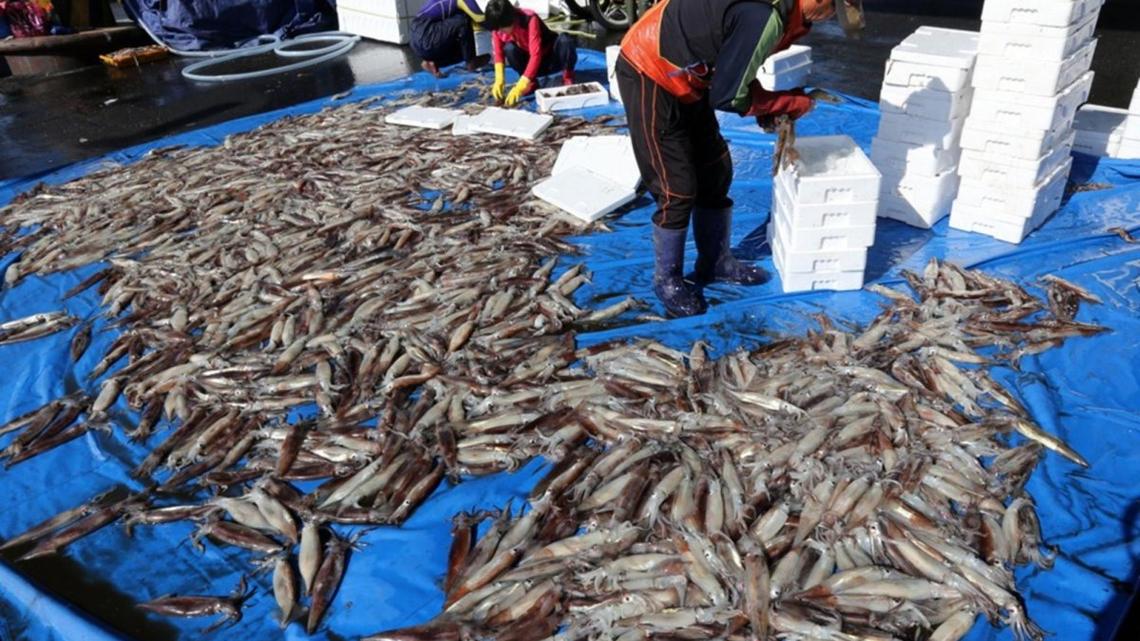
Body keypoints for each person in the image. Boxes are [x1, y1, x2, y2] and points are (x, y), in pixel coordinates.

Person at [616, 0, 864, 318]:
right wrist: (787, 102)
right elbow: (728, 95)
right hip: (649, 67)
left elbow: (735, 61)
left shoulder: (783, 13)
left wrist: (764, 104)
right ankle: (668, 280)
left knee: (716, 170)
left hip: (692, 74)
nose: (831, 16)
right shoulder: (765, 16)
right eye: (833, 7)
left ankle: (715, 263)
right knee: (676, 188)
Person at [481, 0, 578, 107]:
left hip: (551, 59)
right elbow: (498, 55)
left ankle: (567, 77)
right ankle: (532, 83)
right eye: (496, 28)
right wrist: (499, 79)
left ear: (510, 19)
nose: (500, 31)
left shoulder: (529, 18)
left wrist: (521, 84)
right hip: (530, 67)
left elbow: (535, 54)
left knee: (565, 40)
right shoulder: (497, 29)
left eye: (501, 28)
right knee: (509, 49)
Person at [410, 0, 490, 78]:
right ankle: (471, 62)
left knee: (464, 46)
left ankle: (433, 62)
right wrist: (500, 26)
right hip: (425, 32)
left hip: (417, 39)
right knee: (463, 20)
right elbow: (479, 18)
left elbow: (474, 23)